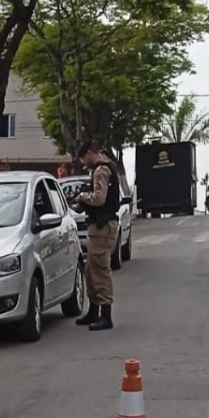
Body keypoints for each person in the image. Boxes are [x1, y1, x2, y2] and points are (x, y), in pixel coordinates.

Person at [74, 140, 120, 331]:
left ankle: (105, 315)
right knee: (90, 270)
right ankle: (94, 311)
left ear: (91, 153)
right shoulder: (104, 168)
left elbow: (99, 199)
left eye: (85, 158)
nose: (84, 163)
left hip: (103, 226)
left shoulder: (102, 170)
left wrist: (82, 197)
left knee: (100, 270)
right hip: (99, 226)